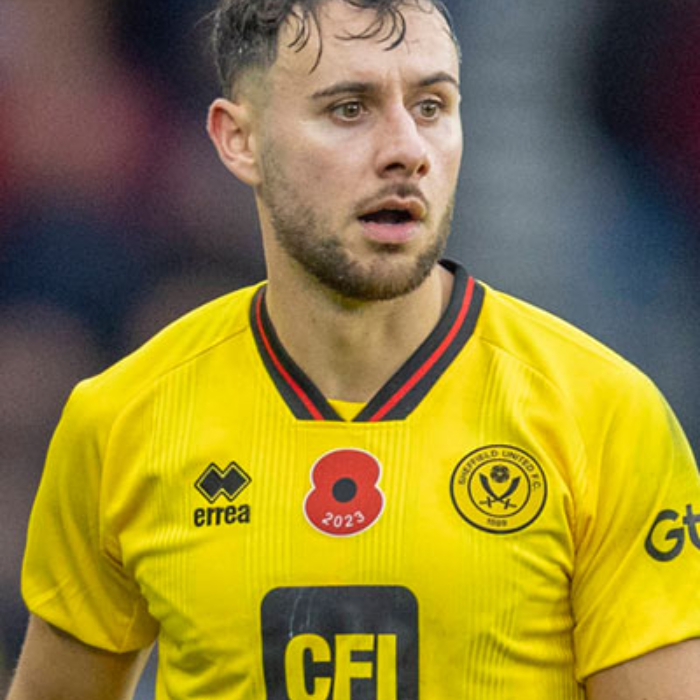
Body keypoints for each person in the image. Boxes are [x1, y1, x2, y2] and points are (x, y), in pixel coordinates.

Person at [7, 0, 700, 698]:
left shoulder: (604, 418)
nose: (407, 149)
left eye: (431, 107)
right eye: (349, 109)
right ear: (240, 140)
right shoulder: (122, 421)